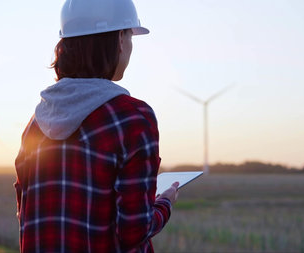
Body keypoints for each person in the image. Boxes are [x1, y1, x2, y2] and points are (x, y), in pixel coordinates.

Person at [13, 0, 179, 252]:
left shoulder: (34, 125)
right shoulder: (133, 118)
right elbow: (134, 231)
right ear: (120, 40)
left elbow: (24, 213)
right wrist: (164, 203)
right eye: (130, 37)